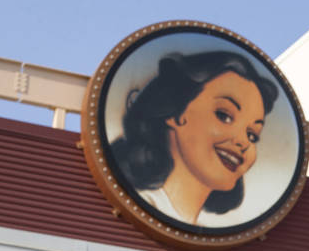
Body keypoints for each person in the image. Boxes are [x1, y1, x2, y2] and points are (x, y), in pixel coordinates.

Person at [109, 51, 279, 227]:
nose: (243, 142)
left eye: (252, 135)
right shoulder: (140, 207)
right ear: (177, 114)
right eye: (224, 116)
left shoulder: (208, 230)